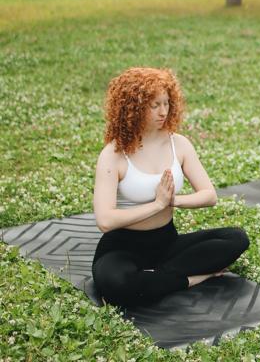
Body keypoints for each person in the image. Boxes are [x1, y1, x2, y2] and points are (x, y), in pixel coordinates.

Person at [92, 67, 249, 307]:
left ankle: (154, 278)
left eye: (166, 103)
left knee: (236, 238)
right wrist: (156, 205)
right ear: (132, 107)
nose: (163, 111)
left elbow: (209, 196)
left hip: (167, 243)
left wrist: (172, 201)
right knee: (117, 285)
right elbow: (105, 220)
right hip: (122, 247)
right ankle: (191, 278)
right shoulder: (113, 154)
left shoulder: (179, 144)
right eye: (154, 105)